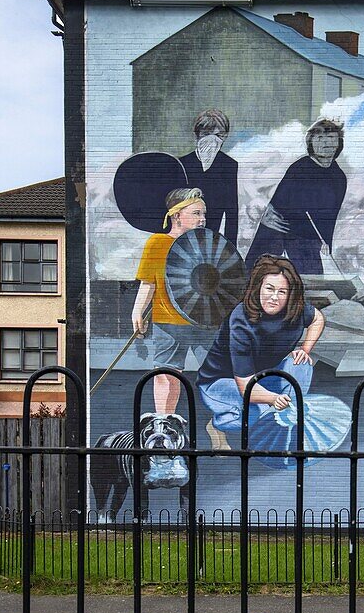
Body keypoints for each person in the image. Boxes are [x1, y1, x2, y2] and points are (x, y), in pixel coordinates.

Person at [197, 254, 325, 449]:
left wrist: (305, 348)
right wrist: (273, 399)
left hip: (261, 376)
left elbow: (318, 319)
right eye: (269, 289)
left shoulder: (295, 310)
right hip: (220, 382)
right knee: (255, 413)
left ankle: (281, 422)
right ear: (258, 287)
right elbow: (245, 385)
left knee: (302, 362)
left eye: (282, 292)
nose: (275, 297)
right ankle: (217, 425)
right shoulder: (241, 320)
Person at [132, 187, 210, 416]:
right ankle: (164, 423)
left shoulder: (206, 243)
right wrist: (137, 311)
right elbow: (149, 282)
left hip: (205, 323)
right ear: (177, 215)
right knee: (167, 377)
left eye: (203, 214)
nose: (202, 219)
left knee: (219, 375)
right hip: (168, 322)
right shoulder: (157, 243)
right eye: (196, 213)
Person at [246, 119, 346, 275]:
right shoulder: (299, 168)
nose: (326, 143)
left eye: (331, 138)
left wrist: (327, 242)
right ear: (311, 143)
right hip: (280, 226)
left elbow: (331, 216)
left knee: (311, 279)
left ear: (338, 143)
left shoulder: (339, 177)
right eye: (319, 138)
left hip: (308, 235)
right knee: (258, 272)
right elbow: (277, 206)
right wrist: (267, 220)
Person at [179, 109, 239, 247]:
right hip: (184, 237)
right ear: (197, 135)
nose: (212, 140)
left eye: (218, 135)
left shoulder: (228, 165)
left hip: (210, 239)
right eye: (206, 134)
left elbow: (232, 212)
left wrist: (231, 251)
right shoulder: (183, 164)